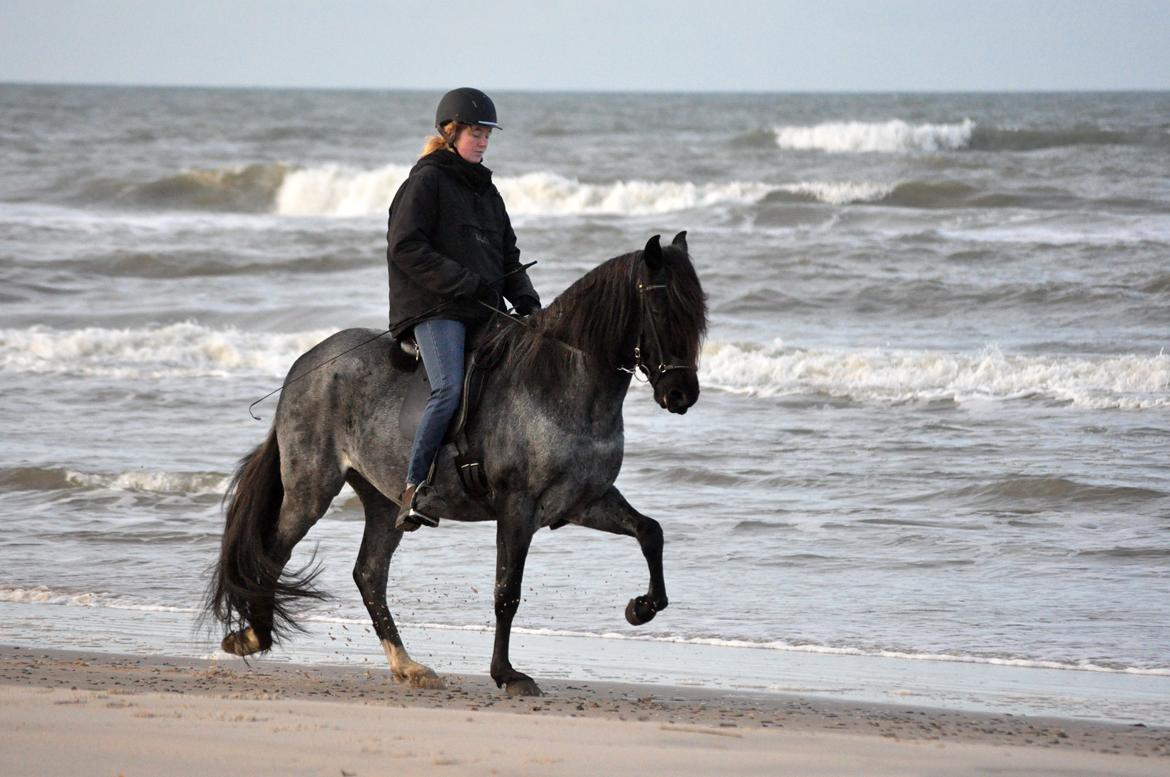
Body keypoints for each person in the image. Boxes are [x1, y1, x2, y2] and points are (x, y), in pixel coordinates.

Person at [386, 87, 540, 531]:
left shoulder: (488, 192)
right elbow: (406, 247)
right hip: (435, 309)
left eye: (487, 134)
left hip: (480, 308)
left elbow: (508, 257)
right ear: (450, 133)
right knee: (449, 388)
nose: (483, 141)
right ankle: (415, 488)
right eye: (476, 132)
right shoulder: (426, 181)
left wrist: (528, 301)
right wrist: (463, 282)